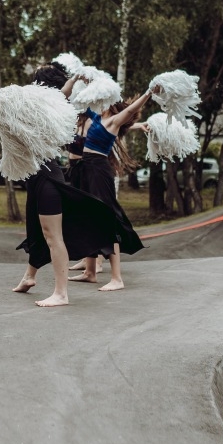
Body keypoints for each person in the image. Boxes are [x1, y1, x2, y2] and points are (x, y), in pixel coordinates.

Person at [12, 63, 126, 307]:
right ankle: (29, 276)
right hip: (35, 176)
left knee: (53, 236)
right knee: (35, 231)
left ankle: (61, 293)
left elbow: (60, 94)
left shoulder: (51, 105)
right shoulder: (41, 106)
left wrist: (73, 80)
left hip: (48, 177)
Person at [67, 86, 156, 291]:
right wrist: (82, 80)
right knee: (89, 218)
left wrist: (148, 93)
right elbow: (77, 102)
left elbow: (131, 111)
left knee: (106, 219)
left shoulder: (113, 121)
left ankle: (117, 278)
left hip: (99, 170)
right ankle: (90, 272)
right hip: (86, 168)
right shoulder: (97, 116)